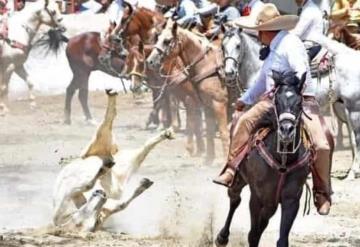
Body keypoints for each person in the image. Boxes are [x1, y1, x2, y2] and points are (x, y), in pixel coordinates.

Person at [213, 3, 332, 215]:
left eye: (259, 32)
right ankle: (232, 169)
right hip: (272, 101)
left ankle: (322, 191)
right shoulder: (272, 48)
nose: (258, 36)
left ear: (267, 31)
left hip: (299, 100)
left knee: (321, 144)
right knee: (243, 121)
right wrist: (245, 99)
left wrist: (288, 92)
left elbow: (301, 72)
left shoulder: (290, 44)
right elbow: (261, 80)